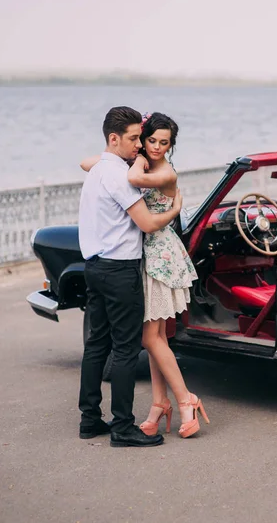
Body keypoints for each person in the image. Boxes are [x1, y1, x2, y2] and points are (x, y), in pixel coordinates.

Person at [81, 112, 210, 439]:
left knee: (148, 338)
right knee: (152, 338)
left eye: (161, 142)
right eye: (147, 139)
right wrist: (121, 159)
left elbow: (136, 184)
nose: (151, 146)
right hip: (138, 257)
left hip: (158, 256)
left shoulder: (160, 170)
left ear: (171, 145)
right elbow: (87, 162)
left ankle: (182, 400)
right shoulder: (125, 165)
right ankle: (160, 403)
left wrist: (130, 161)